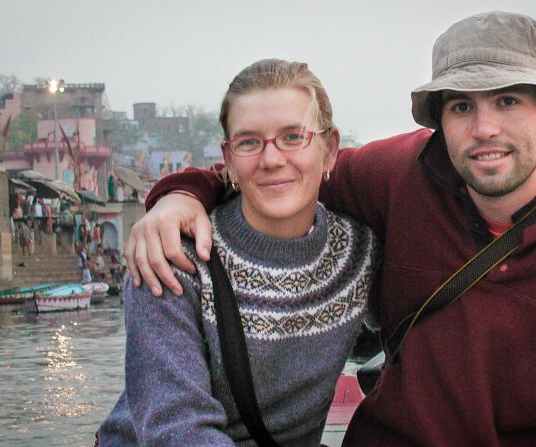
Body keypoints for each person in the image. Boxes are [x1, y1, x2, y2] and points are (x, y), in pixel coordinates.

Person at [123, 11, 536, 446]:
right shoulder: (396, 178)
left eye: (507, 101)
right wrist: (178, 195)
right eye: (461, 106)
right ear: (440, 121)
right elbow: (278, 174)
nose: (484, 129)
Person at [98, 59, 380, 446]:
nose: (272, 159)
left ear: (329, 149)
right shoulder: (171, 259)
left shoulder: (360, 254)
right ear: (228, 160)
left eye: (293, 137)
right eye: (249, 142)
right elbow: (177, 429)